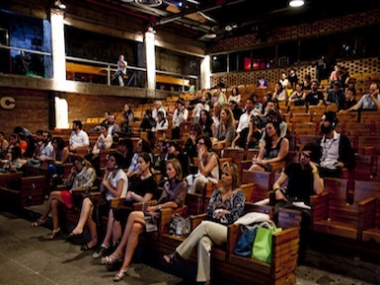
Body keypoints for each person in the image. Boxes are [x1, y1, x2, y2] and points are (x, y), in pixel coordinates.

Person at [105, 159, 188, 282]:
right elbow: (161, 200)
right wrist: (154, 208)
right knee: (135, 228)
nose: (167, 172)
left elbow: (175, 204)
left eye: (170, 169)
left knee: (133, 215)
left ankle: (119, 251)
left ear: (177, 169)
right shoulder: (167, 183)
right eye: (167, 169)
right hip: (155, 214)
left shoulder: (182, 185)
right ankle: (123, 268)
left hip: (165, 218)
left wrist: (156, 207)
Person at [163, 162, 246, 285]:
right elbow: (210, 211)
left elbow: (235, 216)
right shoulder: (217, 192)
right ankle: (204, 280)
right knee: (203, 242)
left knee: (205, 225)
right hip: (212, 227)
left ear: (233, 177)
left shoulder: (239, 194)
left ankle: (177, 254)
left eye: (226, 174)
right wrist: (223, 212)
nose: (223, 176)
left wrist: (223, 213)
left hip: (227, 231)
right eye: (222, 174)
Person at [93, 152, 157, 259]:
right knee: (116, 220)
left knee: (114, 212)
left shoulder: (151, 181)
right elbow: (128, 193)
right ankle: (114, 248)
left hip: (137, 209)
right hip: (128, 204)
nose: (139, 165)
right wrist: (129, 195)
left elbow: (145, 200)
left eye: (141, 162)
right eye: (138, 162)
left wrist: (133, 195)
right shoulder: (136, 178)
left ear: (148, 164)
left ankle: (108, 245)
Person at [272, 142, 324, 261]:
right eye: (302, 155)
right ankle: (279, 251)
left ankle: (299, 256)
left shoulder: (317, 172)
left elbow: (319, 190)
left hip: (304, 204)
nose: (303, 158)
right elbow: (277, 183)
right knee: (277, 212)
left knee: (303, 219)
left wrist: (314, 169)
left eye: (307, 156)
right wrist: (277, 191)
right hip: (288, 199)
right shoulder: (293, 167)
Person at [66, 152, 128, 250]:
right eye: (109, 159)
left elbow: (118, 194)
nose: (108, 162)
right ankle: (80, 228)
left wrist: (106, 184)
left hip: (115, 204)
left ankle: (92, 239)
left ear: (117, 163)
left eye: (112, 160)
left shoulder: (121, 175)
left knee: (90, 208)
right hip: (106, 200)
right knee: (87, 201)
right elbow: (102, 190)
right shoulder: (111, 173)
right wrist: (105, 176)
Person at [31, 157, 97, 239]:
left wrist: (76, 189)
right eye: (75, 164)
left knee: (52, 194)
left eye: (78, 164)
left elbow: (88, 185)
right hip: (71, 193)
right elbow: (67, 184)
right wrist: (71, 173)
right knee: (54, 202)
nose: (77, 166)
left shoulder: (89, 171)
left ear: (83, 163)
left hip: (79, 195)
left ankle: (43, 218)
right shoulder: (76, 172)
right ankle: (56, 229)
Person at [317, 111, 356, 178]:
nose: (321, 123)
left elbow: (352, 161)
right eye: (321, 120)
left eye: (325, 121)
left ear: (333, 124)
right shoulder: (319, 141)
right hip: (320, 169)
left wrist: (343, 164)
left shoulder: (342, 140)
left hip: (333, 171)